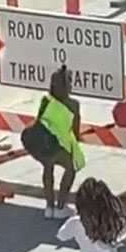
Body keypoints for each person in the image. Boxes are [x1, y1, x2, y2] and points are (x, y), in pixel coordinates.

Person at [20, 65, 85, 220]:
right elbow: (74, 130)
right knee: (70, 168)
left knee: (48, 169)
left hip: (42, 144)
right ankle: (61, 206)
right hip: (57, 145)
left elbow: (41, 120)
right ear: (68, 85)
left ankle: (49, 207)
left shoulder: (46, 100)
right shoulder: (74, 105)